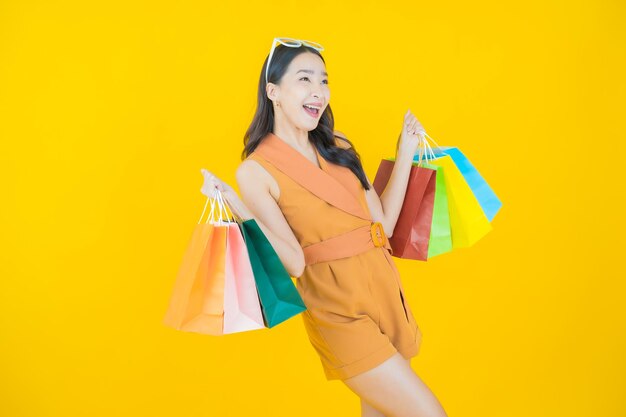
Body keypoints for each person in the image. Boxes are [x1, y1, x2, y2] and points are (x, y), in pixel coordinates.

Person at [200, 38, 448, 417]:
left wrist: (407, 153)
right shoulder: (254, 171)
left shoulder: (337, 146)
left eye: (323, 81)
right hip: (336, 308)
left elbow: (381, 224)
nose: (318, 92)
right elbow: (294, 263)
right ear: (273, 92)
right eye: (304, 79)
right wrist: (237, 206)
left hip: (383, 288)